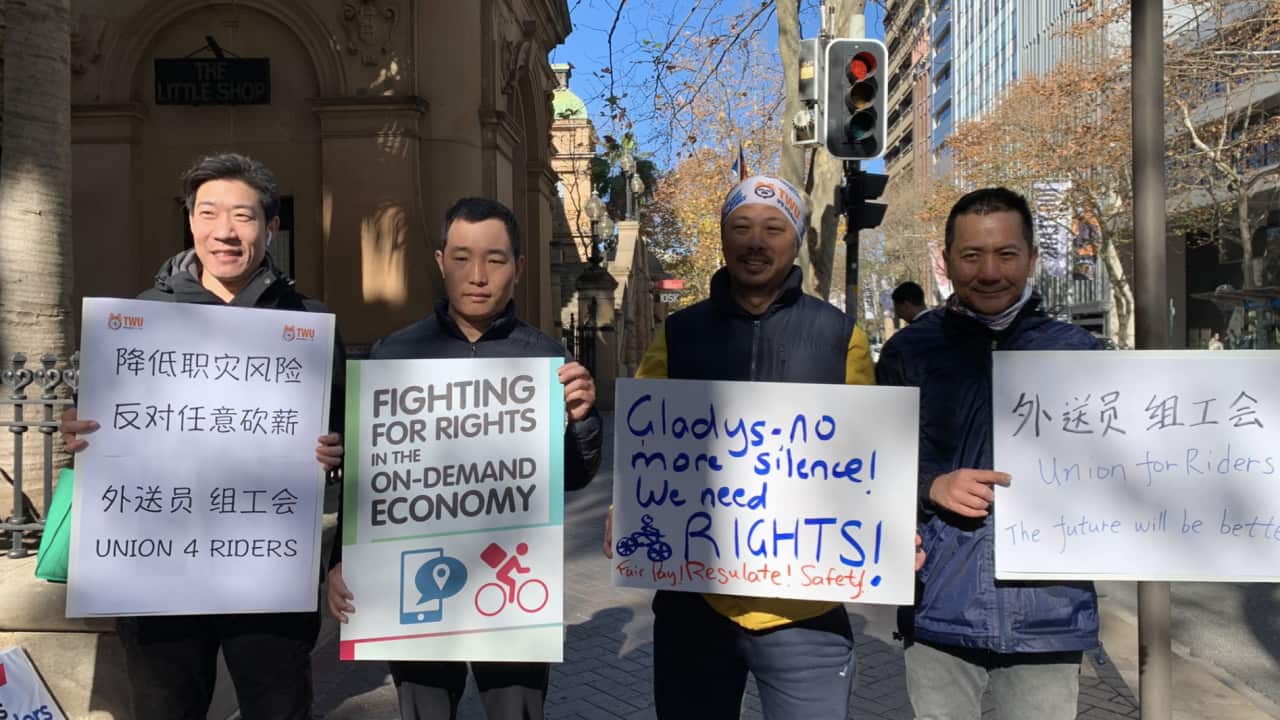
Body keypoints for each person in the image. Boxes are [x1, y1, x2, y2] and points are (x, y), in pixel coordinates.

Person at [60, 153, 345, 720]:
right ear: (190, 222)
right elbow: (106, 427)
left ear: (271, 227)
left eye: (243, 216)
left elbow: (344, 441)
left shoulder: (307, 323)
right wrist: (81, 433)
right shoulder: (139, 320)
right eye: (209, 213)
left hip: (267, 575)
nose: (225, 232)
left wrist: (335, 449)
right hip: (158, 577)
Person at [604, 175, 874, 719]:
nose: (756, 242)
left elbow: (868, 456)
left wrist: (886, 521)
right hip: (695, 602)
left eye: (773, 229)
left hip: (806, 611)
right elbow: (645, 443)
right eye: (742, 227)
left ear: (795, 241)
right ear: (723, 237)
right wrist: (623, 506)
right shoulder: (678, 333)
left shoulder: (841, 336)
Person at [326, 197, 602, 720]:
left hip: (511, 589)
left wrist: (584, 418)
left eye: (495, 260)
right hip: (414, 586)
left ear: (518, 268)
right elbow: (370, 480)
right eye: (461, 258)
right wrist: (341, 562)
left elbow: (574, 475)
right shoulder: (393, 355)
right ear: (440, 262)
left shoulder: (546, 358)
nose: (477, 276)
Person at [876, 187, 1100, 720]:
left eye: (1006, 254)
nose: (990, 271)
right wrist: (930, 486)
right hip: (939, 607)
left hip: (1050, 613)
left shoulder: (1080, 352)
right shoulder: (908, 351)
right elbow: (869, 467)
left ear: (1032, 258)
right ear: (947, 261)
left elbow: (1121, 473)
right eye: (972, 255)